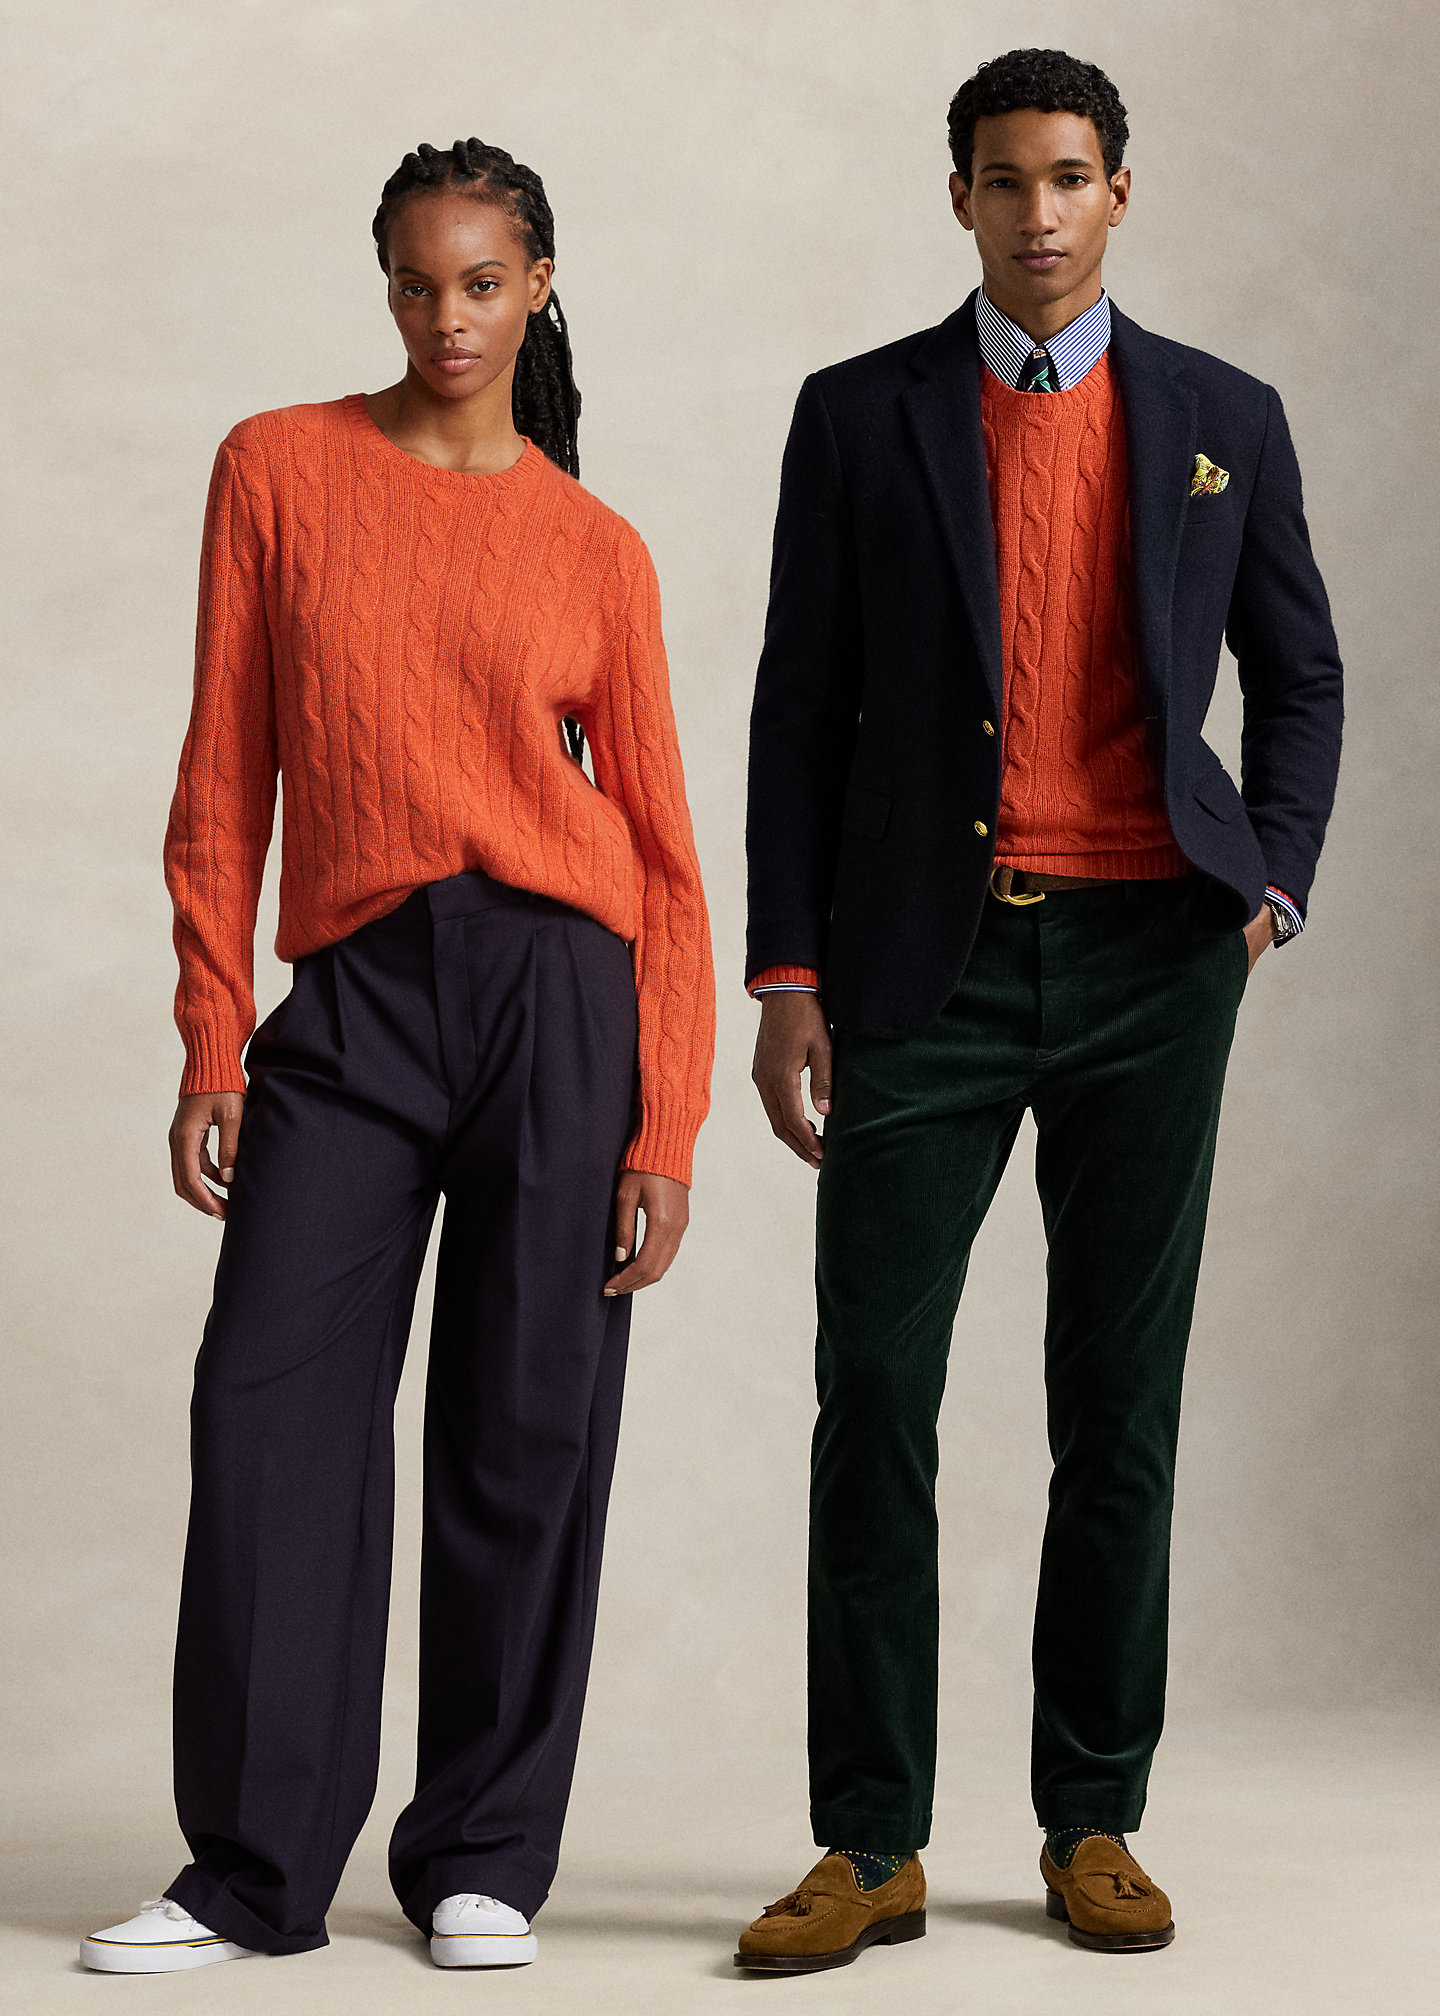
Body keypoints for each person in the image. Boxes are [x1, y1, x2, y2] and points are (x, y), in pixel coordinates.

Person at [737, 47, 1341, 1971]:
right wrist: (789, 972)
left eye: (1069, 177)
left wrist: (1269, 887)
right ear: (961, 200)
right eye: (1004, 180)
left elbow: (1301, 677)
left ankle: (1094, 1818)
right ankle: (869, 1842)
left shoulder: (1224, 417)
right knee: (874, 1397)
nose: (1039, 213)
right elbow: (796, 706)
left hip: (1156, 963)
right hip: (921, 967)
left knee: (1120, 1407)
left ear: (1120, 192)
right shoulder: (861, 414)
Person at [81, 138, 714, 1976]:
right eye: (420, 284)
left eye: (483, 284)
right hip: (353, 1001)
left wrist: (665, 1120)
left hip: (558, 997)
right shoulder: (278, 469)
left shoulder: (596, 548)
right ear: (387, 288)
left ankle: (483, 1855)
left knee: (528, 1425)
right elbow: (225, 769)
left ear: (538, 289)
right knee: (267, 1411)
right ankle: (250, 1872)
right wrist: (214, 1028)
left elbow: (667, 857)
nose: (450, 317)